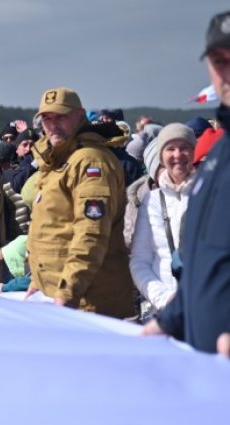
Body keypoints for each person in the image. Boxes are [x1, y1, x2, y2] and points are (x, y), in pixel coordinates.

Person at [143, 10, 230, 356]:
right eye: (220, 60)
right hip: (205, 366)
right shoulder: (218, 153)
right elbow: (204, 258)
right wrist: (171, 319)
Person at [25, 87, 135, 319]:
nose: (52, 124)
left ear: (80, 115)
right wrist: (38, 279)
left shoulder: (89, 160)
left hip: (89, 301)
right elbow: (54, 227)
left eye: (60, 116)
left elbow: (90, 234)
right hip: (60, 297)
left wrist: (67, 292)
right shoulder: (56, 160)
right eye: (46, 118)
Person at [130, 124, 196, 317]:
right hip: (164, 310)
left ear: (194, 152)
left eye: (184, 148)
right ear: (161, 156)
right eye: (170, 149)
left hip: (205, 306)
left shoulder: (209, 194)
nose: (178, 155)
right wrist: (164, 298)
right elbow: (139, 261)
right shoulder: (151, 200)